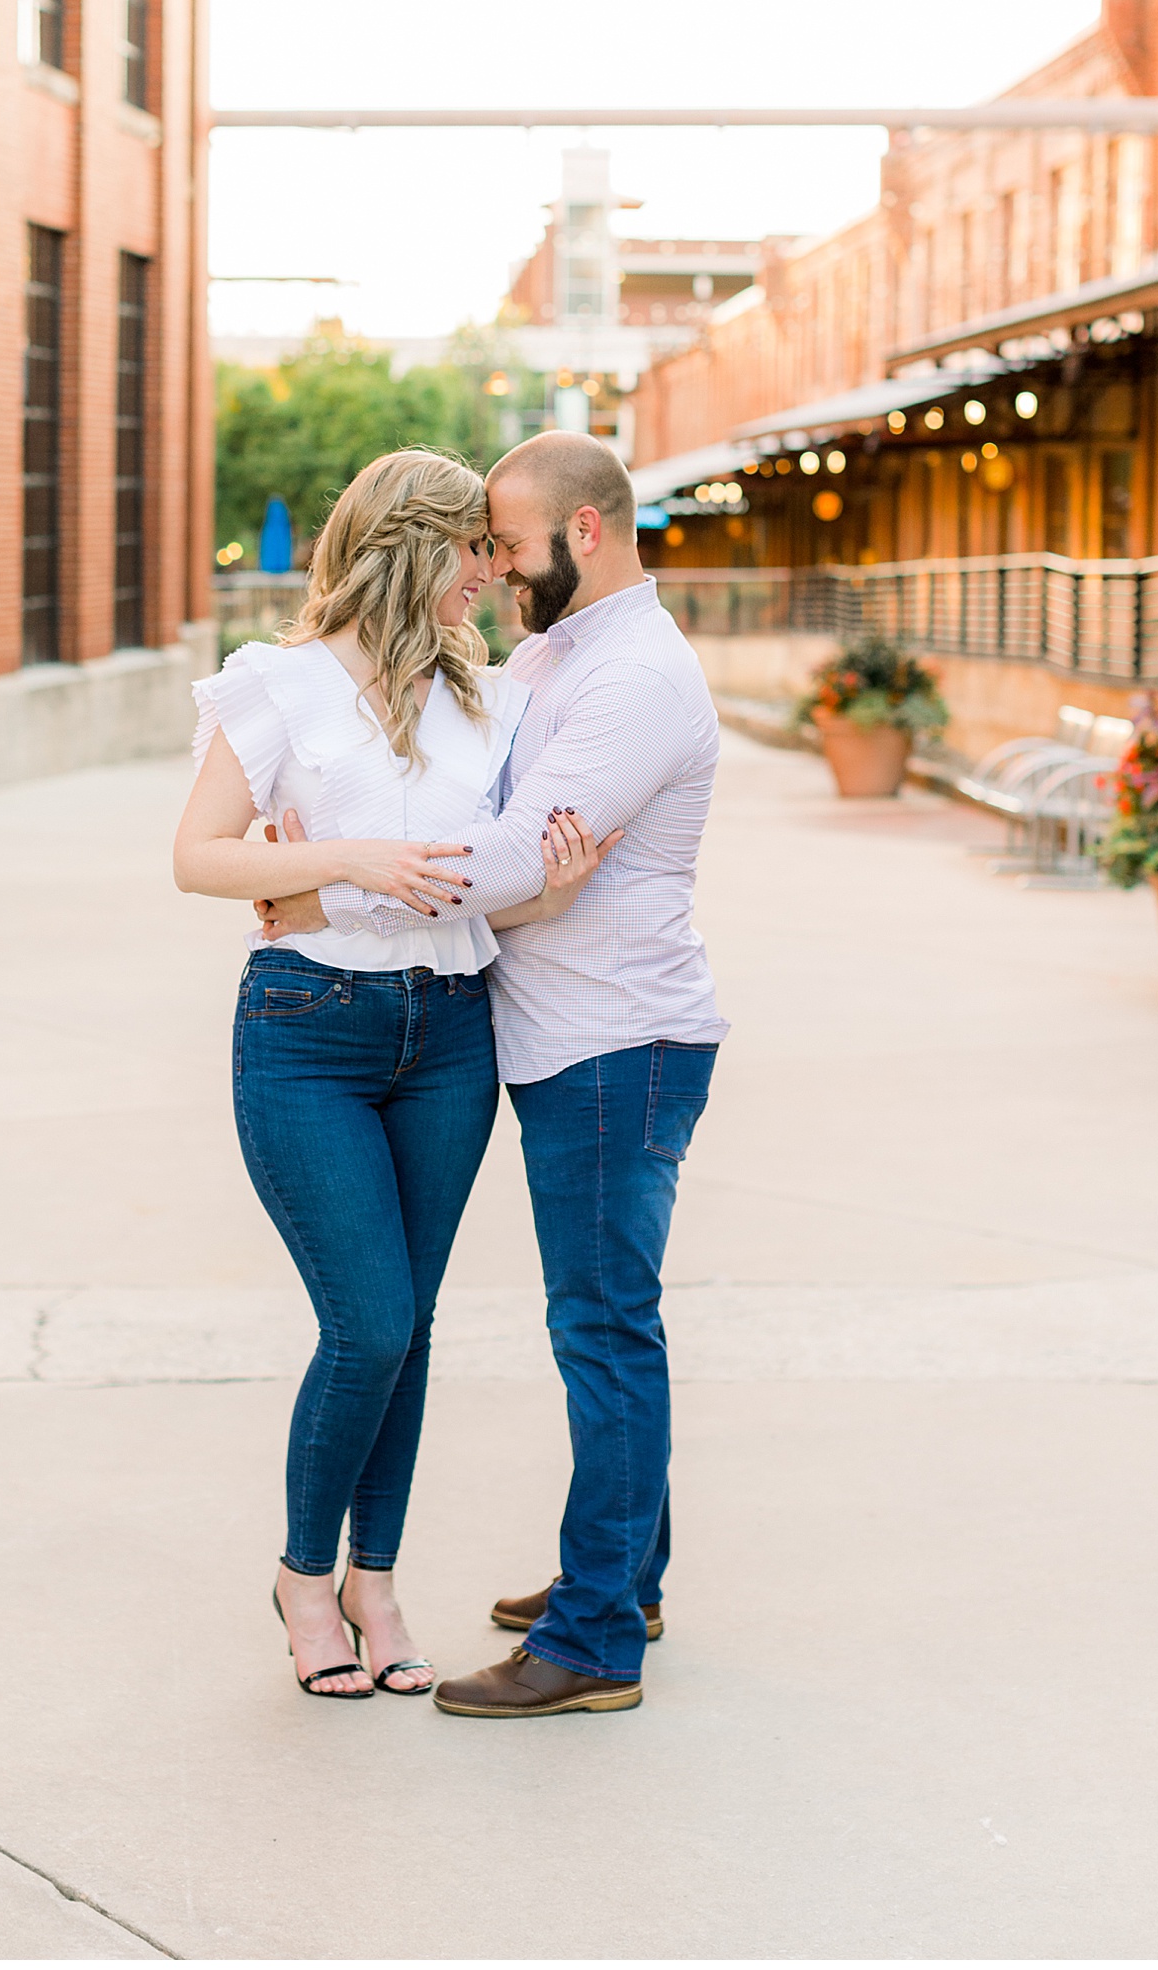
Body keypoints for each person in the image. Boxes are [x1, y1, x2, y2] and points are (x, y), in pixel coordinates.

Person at [256, 429, 725, 1718]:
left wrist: (331, 888)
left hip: (614, 1039)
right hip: (558, 1029)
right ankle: (624, 1574)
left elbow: (516, 859)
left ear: (581, 532)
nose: (500, 570)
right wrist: (331, 864)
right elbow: (471, 807)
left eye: (511, 545)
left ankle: (593, 1642)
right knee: (603, 1319)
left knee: (602, 1325)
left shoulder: (633, 677)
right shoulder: (556, 653)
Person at [173, 448, 615, 1699]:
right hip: (310, 1031)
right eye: (477, 548)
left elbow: (482, 878)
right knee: (365, 1320)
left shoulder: (494, 700)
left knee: (410, 1327)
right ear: (416, 548)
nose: (493, 571)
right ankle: (305, 1577)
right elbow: (198, 857)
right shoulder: (278, 687)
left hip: (450, 1035)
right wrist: (342, 865)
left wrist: (550, 888)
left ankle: (377, 1578)